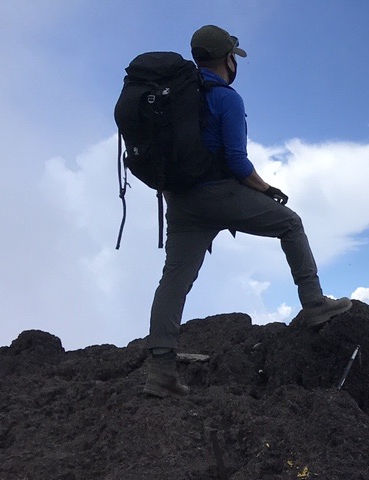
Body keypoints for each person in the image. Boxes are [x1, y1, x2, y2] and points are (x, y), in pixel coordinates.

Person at [143, 24, 352, 398]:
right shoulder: (226, 98)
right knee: (291, 224)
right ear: (227, 59)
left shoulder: (174, 97)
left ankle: (160, 372)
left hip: (180, 201)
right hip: (219, 193)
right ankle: (315, 304)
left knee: (174, 281)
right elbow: (237, 162)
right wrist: (268, 189)